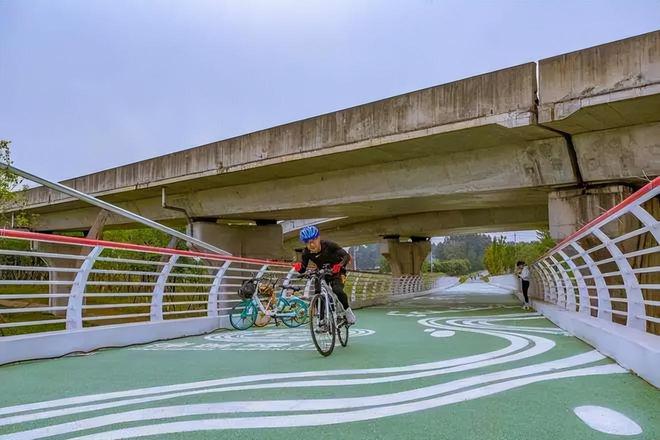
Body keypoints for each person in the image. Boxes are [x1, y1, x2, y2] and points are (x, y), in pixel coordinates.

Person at [292, 225, 357, 325]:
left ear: (318, 238)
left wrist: (339, 265)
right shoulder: (306, 252)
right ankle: (321, 320)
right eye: (307, 242)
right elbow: (303, 269)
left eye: (313, 240)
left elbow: (346, 256)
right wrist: (299, 268)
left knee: (337, 290)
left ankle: (347, 311)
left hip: (337, 271)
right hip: (322, 272)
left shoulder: (329, 245)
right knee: (318, 293)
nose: (311, 244)